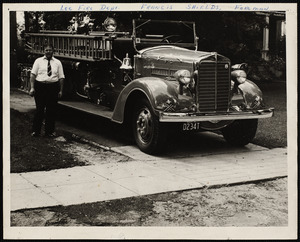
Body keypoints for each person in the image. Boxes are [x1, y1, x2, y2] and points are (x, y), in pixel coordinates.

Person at [29, 44, 65, 137]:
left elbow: (61, 77)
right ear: (43, 51)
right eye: (46, 50)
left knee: (51, 110)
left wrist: (60, 90)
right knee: (39, 110)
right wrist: (32, 88)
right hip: (40, 87)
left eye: (50, 50)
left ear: (53, 51)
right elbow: (33, 75)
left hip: (53, 87)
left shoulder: (58, 62)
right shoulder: (38, 61)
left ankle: (49, 132)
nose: (48, 52)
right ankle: (35, 131)